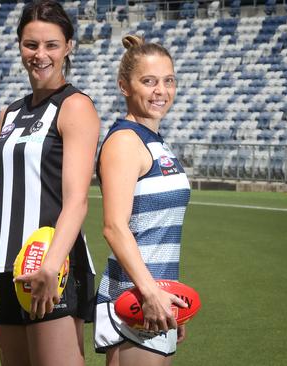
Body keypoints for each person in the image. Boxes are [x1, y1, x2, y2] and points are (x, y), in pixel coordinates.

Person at [0, 1, 100, 365]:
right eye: (31, 44)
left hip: (54, 269)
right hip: (9, 272)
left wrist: (50, 266)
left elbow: (77, 201)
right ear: (20, 45)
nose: (40, 55)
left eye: (51, 45)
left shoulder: (75, 107)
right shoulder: (8, 114)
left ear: (68, 46)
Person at [94, 34, 192, 366]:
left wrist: (170, 298)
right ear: (125, 86)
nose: (160, 91)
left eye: (168, 81)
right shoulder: (125, 141)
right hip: (133, 299)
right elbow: (114, 228)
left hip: (156, 297)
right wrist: (151, 294)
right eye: (148, 81)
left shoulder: (155, 142)